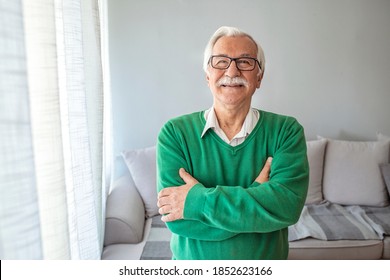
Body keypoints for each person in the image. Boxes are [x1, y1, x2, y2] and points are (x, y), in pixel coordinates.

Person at [156, 26, 309, 260]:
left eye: (245, 62)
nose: (232, 70)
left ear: (259, 77)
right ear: (207, 75)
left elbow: (287, 207)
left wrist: (197, 201)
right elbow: (177, 221)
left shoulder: (286, 131)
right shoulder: (175, 133)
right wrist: (257, 196)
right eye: (220, 61)